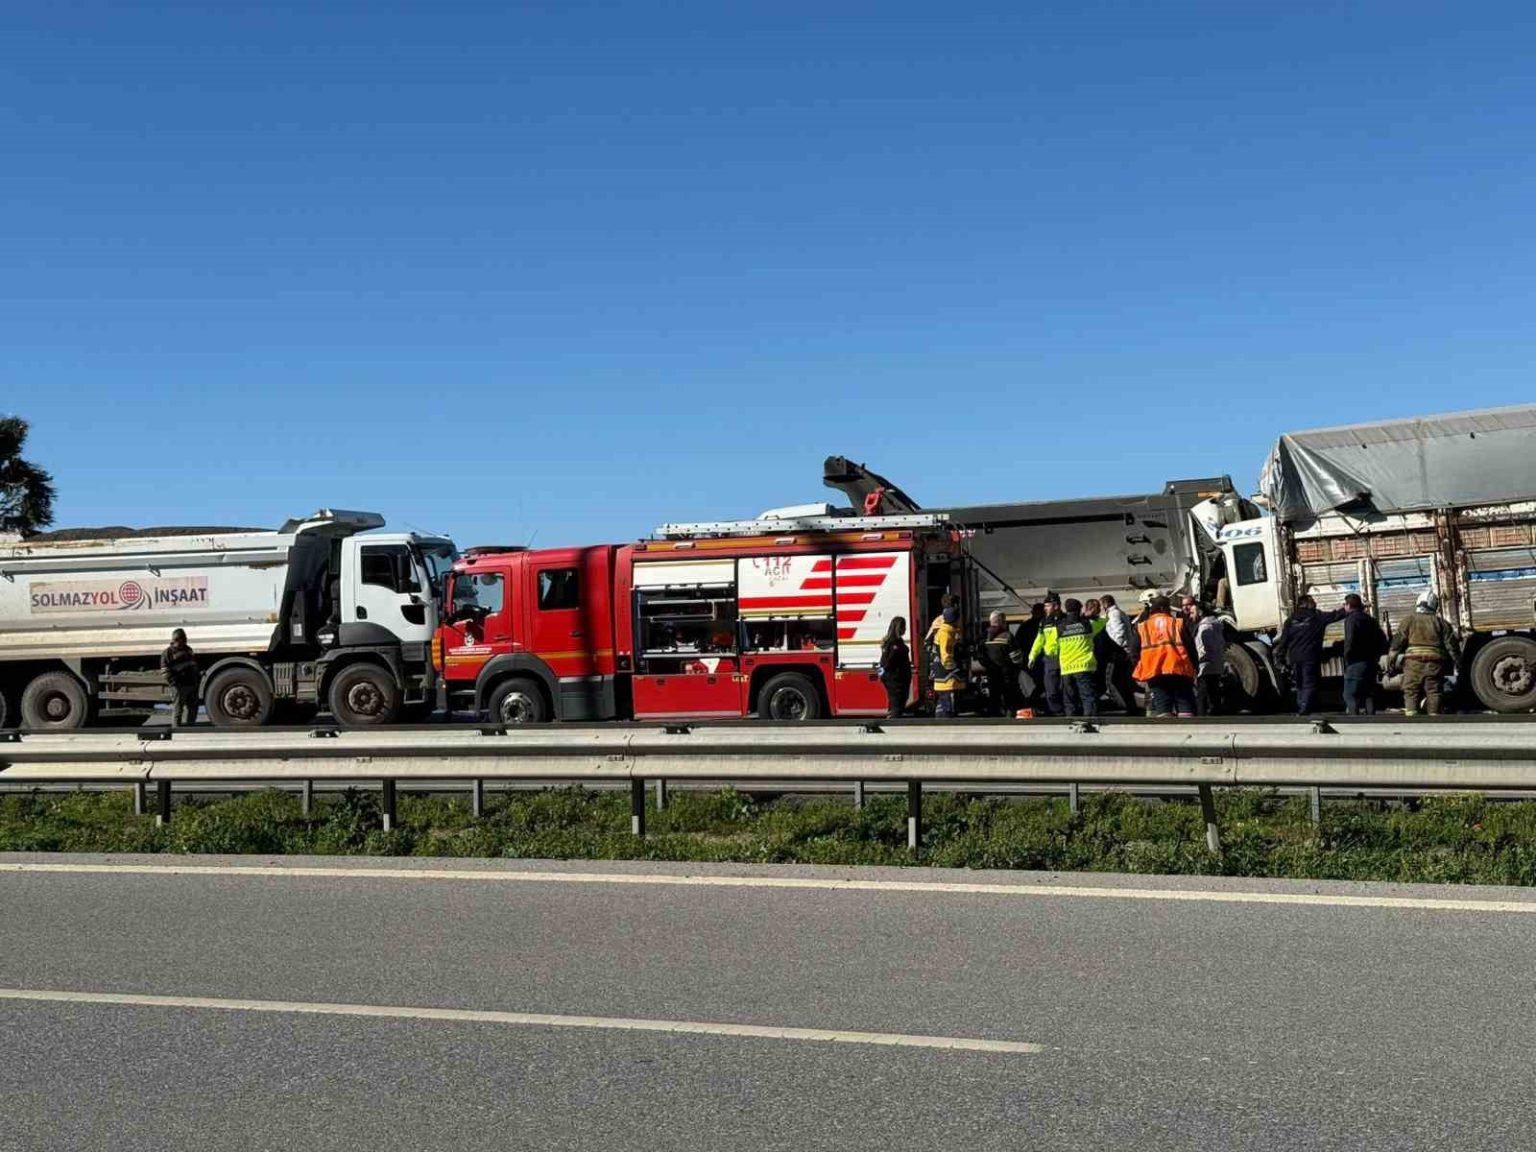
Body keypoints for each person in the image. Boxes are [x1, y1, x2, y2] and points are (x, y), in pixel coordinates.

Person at [1389, 591, 1461, 716]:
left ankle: (1412, 715)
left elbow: (1396, 645)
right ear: (1435, 606)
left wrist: (1391, 662)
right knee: (1434, 691)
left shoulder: (1408, 620)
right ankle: (1434, 716)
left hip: (1413, 663)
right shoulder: (1442, 623)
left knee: (1411, 690)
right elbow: (1452, 647)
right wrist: (1458, 663)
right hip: (1434, 664)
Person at [1274, 594, 1347, 715]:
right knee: (1309, 683)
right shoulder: (1316, 617)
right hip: (1310, 656)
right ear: (1307, 604)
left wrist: (1280, 657)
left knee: (1299, 684)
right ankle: (1304, 708)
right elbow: (1334, 616)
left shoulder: (1290, 620)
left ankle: (1301, 706)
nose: (1315, 603)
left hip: (1294, 657)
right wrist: (1347, 609)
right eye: (1312, 601)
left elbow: (1284, 641)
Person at [1132, 595, 1197, 717]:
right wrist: (1194, 667)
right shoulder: (1177, 623)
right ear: (1163, 608)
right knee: (1186, 709)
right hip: (1179, 670)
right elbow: (1190, 648)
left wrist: (1142, 668)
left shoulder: (1142, 627)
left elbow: (1134, 653)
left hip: (1155, 673)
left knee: (1163, 711)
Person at [1340, 594, 1387, 715]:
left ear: (1348, 605)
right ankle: (1371, 718)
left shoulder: (1351, 619)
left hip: (1356, 661)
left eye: (1344, 604)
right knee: (1368, 694)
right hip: (1370, 661)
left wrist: (1347, 657)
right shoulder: (1371, 620)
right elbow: (1382, 640)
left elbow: (1349, 640)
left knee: (1349, 694)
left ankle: (1354, 719)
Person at [1055, 598, 1099, 718]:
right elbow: (1103, 622)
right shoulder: (1087, 624)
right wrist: (1090, 616)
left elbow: (1054, 646)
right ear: (1079, 609)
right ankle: (1090, 720)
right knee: (1087, 696)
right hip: (1083, 666)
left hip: (1067, 667)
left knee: (1069, 699)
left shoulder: (1060, 626)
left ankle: (1071, 719)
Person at [1099, 594, 1141, 715]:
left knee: (1116, 680)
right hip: (1124, 652)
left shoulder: (1114, 614)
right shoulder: (1119, 613)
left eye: (1101, 605)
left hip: (1120, 653)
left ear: (1106, 604)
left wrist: (1116, 649)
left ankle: (1129, 706)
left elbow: (1118, 633)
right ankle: (1130, 706)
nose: (1101, 608)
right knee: (1121, 681)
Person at [1028, 592, 1064, 716]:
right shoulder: (1044, 622)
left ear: (1056, 606)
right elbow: (1039, 640)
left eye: (1047, 606)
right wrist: (1032, 656)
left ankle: (1069, 711)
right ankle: (1057, 712)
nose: (1045, 608)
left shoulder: (1066, 620)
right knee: (1051, 689)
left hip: (1066, 657)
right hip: (1050, 659)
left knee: (1067, 688)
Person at [981, 611, 1024, 716]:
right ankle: (1010, 714)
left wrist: (987, 665)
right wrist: (1018, 666)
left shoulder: (983, 636)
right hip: (1007, 672)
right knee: (1009, 694)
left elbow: (980, 655)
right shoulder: (1007, 636)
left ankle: (994, 715)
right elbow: (1016, 657)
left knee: (994, 694)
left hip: (991, 671)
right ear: (1001, 622)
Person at [928, 600, 966, 717]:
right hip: (946, 677)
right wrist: (954, 668)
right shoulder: (946, 633)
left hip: (945, 676)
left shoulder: (949, 631)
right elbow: (946, 655)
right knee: (946, 705)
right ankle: (944, 721)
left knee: (946, 702)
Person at [161, 628, 200, 727]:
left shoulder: (188, 649)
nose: (184, 642)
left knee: (193, 708)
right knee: (178, 709)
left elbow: (194, 664)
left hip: (191, 683)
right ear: (177, 640)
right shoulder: (168, 653)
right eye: (182, 639)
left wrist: (196, 679)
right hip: (178, 685)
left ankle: (190, 727)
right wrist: (173, 683)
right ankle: (176, 729)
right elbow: (165, 671)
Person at [1193, 603, 1227, 715]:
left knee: (1202, 695)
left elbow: (1204, 648)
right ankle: (1216, 716)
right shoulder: (1217, 625)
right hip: (1216, 664)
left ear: (1200, 612)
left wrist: (1198, 662)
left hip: (1205, 666)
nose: (1191, 615)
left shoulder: (1205, 628)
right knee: (1214, 693)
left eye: (1193, 612)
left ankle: (1201, 719)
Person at [878, 616, 912, 719]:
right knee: (897, 703)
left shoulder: (891, 641)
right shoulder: (895, 643)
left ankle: (892, 716)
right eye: (904, 627)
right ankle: (893, 722)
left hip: (896, 677)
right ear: (899, 628)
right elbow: (890, 660)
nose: (905, 629)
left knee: (895, 702)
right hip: (896, 678)